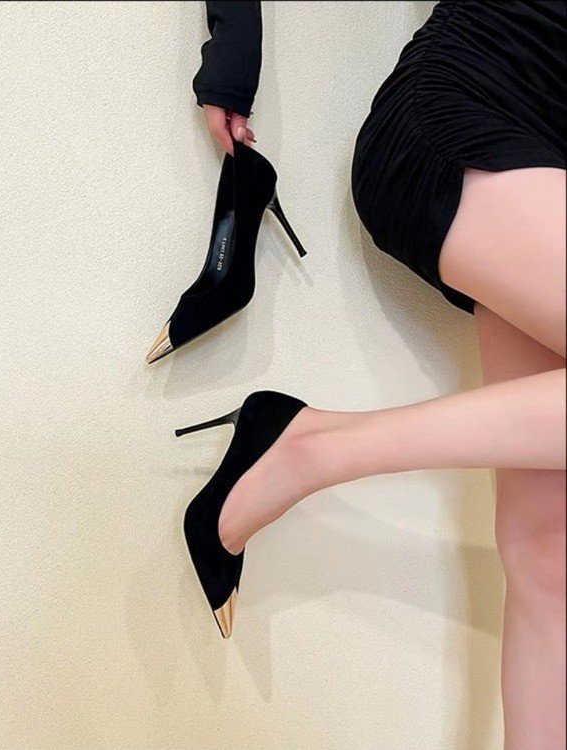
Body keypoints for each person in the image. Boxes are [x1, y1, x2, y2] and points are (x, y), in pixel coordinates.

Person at [181, 2, 566, 747]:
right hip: (476, 101)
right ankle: (308, 448)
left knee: (549, 557)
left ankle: (301, 445)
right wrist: (233, 49)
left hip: (545, 170)